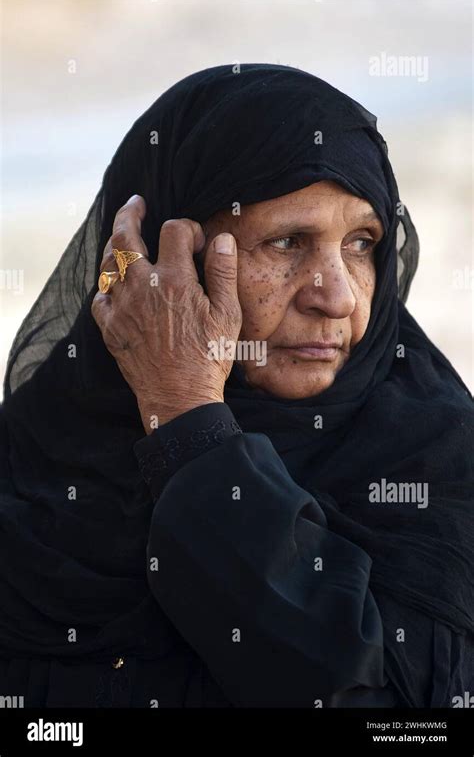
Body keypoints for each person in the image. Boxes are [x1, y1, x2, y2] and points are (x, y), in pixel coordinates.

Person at [1, 64, 473, 708]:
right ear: (164, 264)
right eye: (286, 242)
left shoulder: (436, 471)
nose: (337, 298)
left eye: (362, 243)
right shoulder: (33, 465)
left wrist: (188, 417)